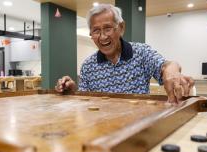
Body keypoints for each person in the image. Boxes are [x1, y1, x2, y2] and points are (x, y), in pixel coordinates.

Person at [55, 4, 194, 103]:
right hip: (101, 128)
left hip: (138, 128)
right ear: (91, 34)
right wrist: (73, 92)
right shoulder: (88, 66)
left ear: (121, 28)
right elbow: (85, 100)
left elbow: (167, 65)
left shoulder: (141, 53)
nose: (102, 37)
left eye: (108, 28)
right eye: (96, 31)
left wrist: (172, 72)